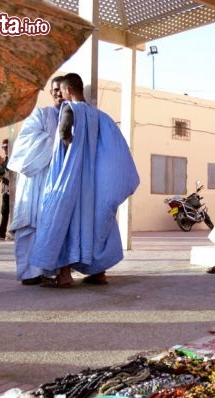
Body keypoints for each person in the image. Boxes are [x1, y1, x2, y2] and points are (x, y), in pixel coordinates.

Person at [30, 73, 140, 288]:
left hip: (71, 180)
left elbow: (63, 132)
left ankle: (64, 276)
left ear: (68, 90)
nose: (59, 96)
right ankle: (98, 273)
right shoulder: (102, 117)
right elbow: (117, 151)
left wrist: (72, 145)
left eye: (61, 91)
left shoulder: (71, 109)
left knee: (62, 219)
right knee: (95, 223)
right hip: (93, 186)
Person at [7, 76, 64, 285]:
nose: (58, 93)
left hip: (58, 182)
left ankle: (50, 270)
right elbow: (25, 143)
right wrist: (58, 139)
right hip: (35, 180)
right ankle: (30, 273)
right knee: (30, 226)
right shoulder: (41, 114)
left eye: (61, 89)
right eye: (54, 90)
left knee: (52, 225)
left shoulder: (76, 116)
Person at [0, 139, 11, 241]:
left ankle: (4, 232)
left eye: (6, 147)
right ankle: (2, 232)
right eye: (3, 148)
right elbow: (1, 174)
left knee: (11, 211)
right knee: (4, 211)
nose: (5, 150)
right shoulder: (4, 159)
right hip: (6, 188)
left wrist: (0, 166)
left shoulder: (14, 158)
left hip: (14, 188)